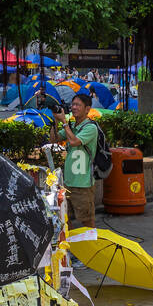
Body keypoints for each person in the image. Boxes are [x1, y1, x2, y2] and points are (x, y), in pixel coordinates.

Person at [52, 93, 100, 230]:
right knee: (65, 220)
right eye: (73, 104)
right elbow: (53, 139)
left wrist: (64, 122)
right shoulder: (72, 126)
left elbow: (74, 142)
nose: (74, 107)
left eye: (78, 105)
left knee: (87, 222)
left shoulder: (91, 127)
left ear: (87, 109)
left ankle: (90, 247)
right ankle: (72, 249)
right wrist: (56, 120)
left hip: (83, 184)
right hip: (67, 183)